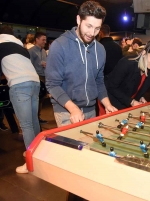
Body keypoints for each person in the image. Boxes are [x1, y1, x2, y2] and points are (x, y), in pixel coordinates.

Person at [45, 1, 117, 127]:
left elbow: (99, 82)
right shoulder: (59, 45)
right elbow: (52, 84)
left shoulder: (100, 49)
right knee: (71, 146)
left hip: (90, 110)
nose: (92, 33)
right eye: (88, 26)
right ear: (78, 20)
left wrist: (108, 105)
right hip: (66, 110)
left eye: (97, 28)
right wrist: (73, 109)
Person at [0, 25, 40, 174]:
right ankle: (37, 152)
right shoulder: (21, 47)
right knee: (33, 120)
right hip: (35, 82)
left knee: (26, 125)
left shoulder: (1, 45)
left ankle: (31, 162)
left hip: (19, 84)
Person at [105, 39, 150, 110]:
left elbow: (137, 88)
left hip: (126, 105)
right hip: (110, 103)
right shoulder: (127, 63)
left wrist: (140, 97)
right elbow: (111, 87)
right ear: (144, 53)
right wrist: (131, 102)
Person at [28, 32, 48, 124]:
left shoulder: (43, 51)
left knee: (41, 99)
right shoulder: (31, 51)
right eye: (43, 39)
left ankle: (38, 117)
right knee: (36, 99)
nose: (45, 41)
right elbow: (28, 64)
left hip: (44, 77)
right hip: (36, 77)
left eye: (45, 39)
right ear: (37, 39)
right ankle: (34, 118)